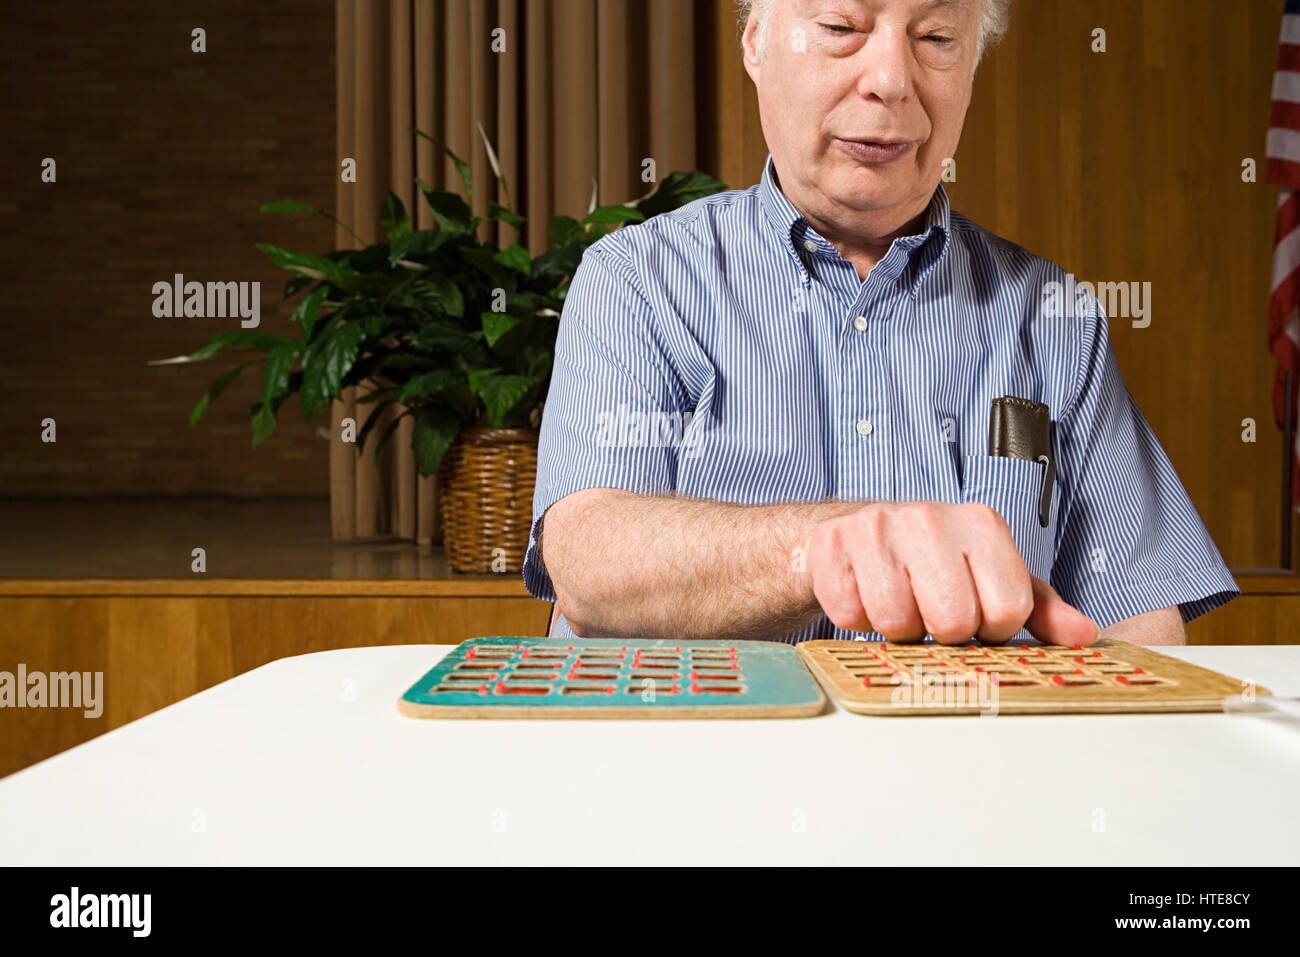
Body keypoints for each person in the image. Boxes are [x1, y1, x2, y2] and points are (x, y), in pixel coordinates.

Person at [522, 0, 1238, 646]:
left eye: (935, 37)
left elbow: (1141, 617)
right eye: (841, 28)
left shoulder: (1054, 316)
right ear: (755, 45)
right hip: (713, 777)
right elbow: (589, 561)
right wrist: (838, 547)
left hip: (980, 779)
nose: (891, 81)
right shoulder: (639, 279)